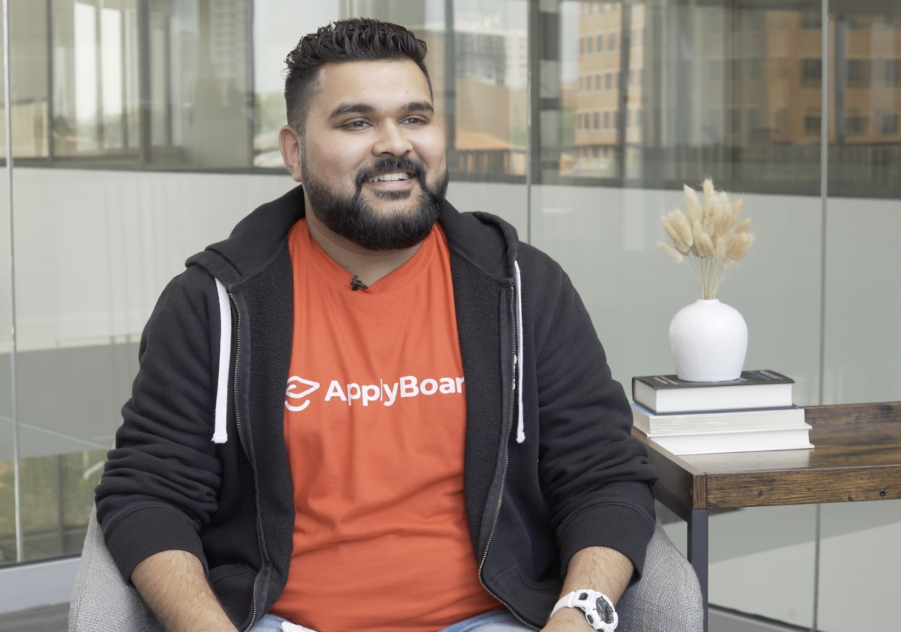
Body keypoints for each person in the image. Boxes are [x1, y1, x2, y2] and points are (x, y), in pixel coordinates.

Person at [95, 18, 658, 632]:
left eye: (414, 118)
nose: (395, 144)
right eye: (357, 122)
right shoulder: (212, 303)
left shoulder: (526, 288)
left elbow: (604, 477)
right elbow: (149, 495)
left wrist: (578, 619)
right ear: (293, 152)